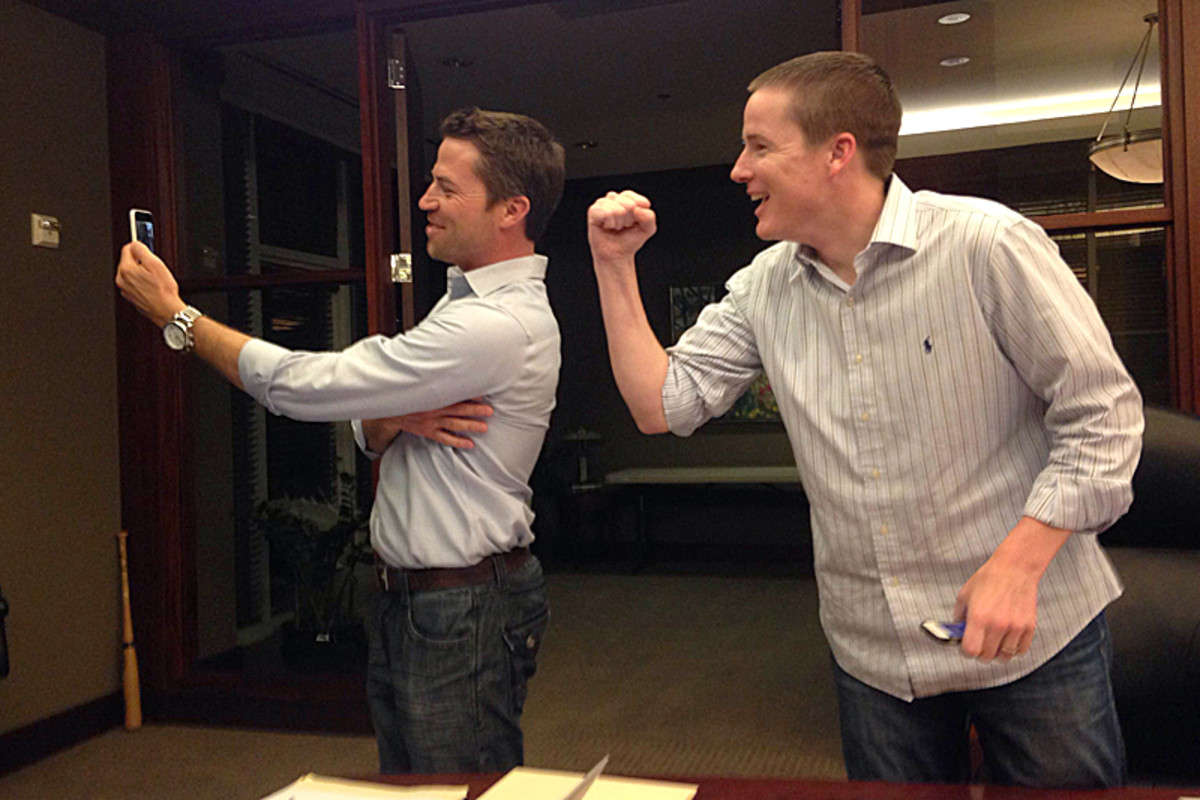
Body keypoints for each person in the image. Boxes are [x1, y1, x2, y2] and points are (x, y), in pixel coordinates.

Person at [587, 51, 1142, 787]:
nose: (737, 170)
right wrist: (612, 264)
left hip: (1032, 628)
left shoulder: (987, 243)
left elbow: (1104, 416)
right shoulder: (764, 287)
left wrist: (1017, 564)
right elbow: (663, 405)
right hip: (876, 654)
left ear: (837, 153)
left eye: (758, 146)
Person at [116, 107, 566, 773]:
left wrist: (176, 317)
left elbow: (305, 387)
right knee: (408, 784)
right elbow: (369, 426)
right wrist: (391, 414)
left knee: (457, 789)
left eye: (446, 186)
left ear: (511, 209)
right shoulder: (462, 302)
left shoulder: (495, 323)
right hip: (416, 601)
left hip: (461, 609)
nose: (425, 200)